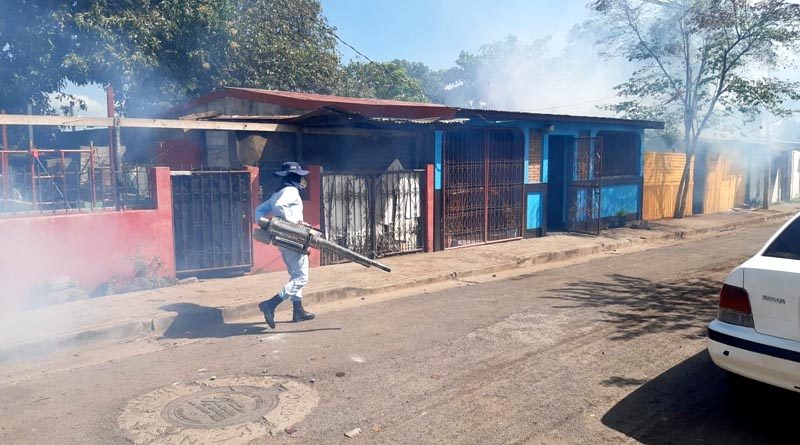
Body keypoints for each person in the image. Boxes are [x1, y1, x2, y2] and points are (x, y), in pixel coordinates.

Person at [255, 161, 315, 328]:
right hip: (294, 238)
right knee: (302, 277)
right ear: (292, 178)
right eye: (298, 176)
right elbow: (282, 207)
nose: (301, 180)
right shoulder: (291, 191)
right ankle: (271, 304)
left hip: (283, 239)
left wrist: (266, 224)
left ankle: (298, 311)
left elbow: (258, 212)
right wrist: (295, 224)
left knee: (295, 274)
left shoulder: (276, 194)